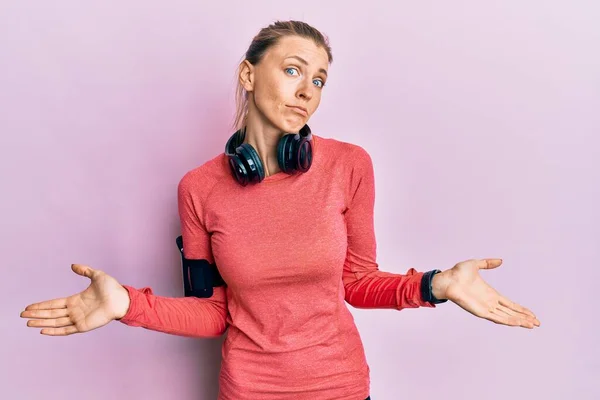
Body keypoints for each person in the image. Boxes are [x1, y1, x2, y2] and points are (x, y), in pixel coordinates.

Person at [20, 20, 540, 400]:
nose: (306, 91)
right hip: (249, 390)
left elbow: (356, 282)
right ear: (248, 75)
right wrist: (125, 304)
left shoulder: (349, 166)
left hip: (339, 383)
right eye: (292, 70)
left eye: (317, 80)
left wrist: (436, 285)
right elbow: (214, 311)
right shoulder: (198, 189)